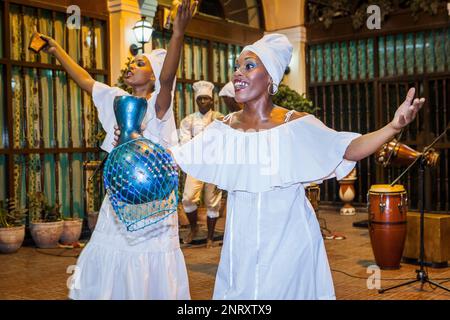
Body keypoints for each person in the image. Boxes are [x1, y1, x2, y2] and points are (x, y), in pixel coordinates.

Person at [115, 33, 424, 299]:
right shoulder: (222, 129)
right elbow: (174, 156)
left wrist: (393, 127)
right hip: (241, 247)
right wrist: (134, 139)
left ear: (270, 77)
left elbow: (349, 148)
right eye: (236, 67)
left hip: (292, 243)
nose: (238, 73)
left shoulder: (297, 125)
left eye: (249, 66)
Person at [41, 0, 197, 300]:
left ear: (153, 76)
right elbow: (86, 82)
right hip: (119, 198)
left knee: (149, 260)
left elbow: (167, 80)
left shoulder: (159, 108)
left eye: (141, 64)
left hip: (153, 204)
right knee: (111, 250)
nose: (131, 65)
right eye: (132, 62)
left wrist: (178, 33)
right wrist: (57, 50)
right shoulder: (116, 100)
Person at [180, 81, 223, 248]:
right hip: (196, 164)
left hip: (214, 165)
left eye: (206, 99)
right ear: (196, 101)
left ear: (212, 101)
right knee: (188, 198)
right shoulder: (188, 121)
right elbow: (185, 143)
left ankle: (210, 237)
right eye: (200, 99)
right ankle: (194, 228)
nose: (203, 102)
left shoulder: (220, 118)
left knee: (213, 201)